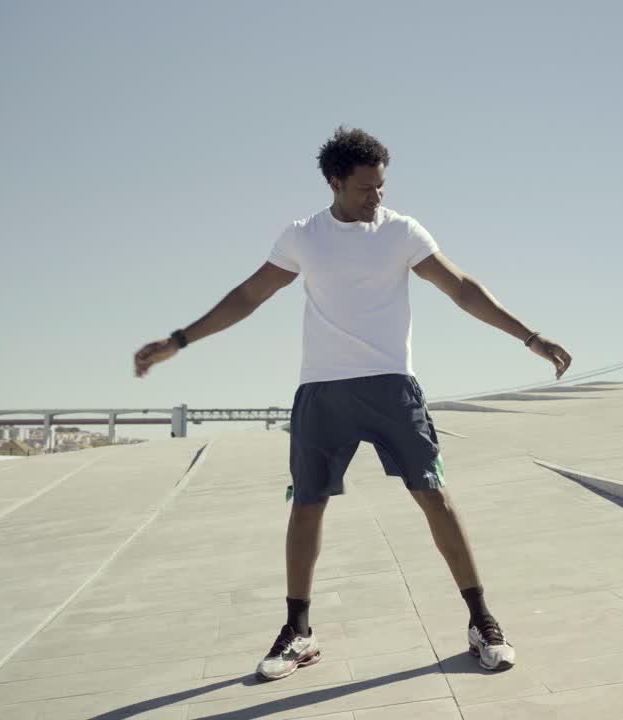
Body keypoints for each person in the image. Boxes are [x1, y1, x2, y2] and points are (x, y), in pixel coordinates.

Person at [134, 127, 572, 681]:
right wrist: (179, 340)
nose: (377, 197)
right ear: (335, 183)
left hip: (393, 386)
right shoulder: (303, 237)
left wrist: (530, 337)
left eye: (382, 186)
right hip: (322, 391)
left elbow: (461, 287)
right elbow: (248, 297)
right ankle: (298, 631)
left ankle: (480, 619)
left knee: (434, 497)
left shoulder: (401, 232)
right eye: (366, 188)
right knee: (307, 506)